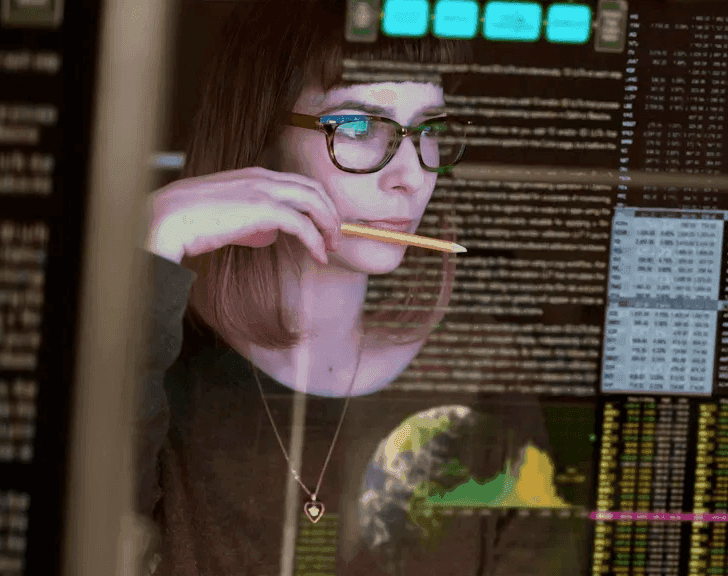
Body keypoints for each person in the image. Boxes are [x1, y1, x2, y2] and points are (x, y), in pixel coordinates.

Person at [137, 0, 585, 574]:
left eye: (428, 130)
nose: (412, 175)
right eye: (355, 125)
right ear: (260, 136)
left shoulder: (485, 372)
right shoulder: (158, 359)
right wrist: (156, 241)